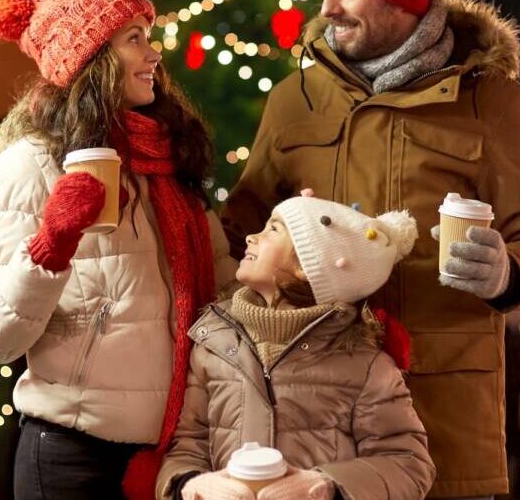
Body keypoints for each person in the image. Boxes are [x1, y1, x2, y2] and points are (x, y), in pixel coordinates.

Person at [222, 0, 520, 498]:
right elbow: (237, 238)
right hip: (317, 432)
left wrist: (507, 273)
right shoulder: (293, 101)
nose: (327, 7)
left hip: (442, 422)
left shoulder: (491, 102)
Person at [0, 0, 236, 500]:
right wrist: (52, 244)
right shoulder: (29, 165)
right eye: (134, 39)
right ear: (90, 59)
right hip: (73, 455)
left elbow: (223, 297)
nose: (153, 54)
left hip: (177, 452)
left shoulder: (170, 158)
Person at [158, 193, 436, 500]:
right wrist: (191, 485)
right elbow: (188, 447)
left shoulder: (365, 365)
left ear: (308, 264)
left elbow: (408, 464)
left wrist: (328, 485)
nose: (251, 237)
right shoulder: (213, 344)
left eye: (273, 229)